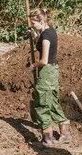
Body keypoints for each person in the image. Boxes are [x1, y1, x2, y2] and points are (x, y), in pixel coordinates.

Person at [29, 9, 71, 146]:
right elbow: (41, 44)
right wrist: (35, 35)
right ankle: (65, 134)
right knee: (52, 101)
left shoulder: (46, 37)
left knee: (42, 104)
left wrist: (34, 65)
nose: (32, 24)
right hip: (53, 70)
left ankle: (47, 139)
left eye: (34, 22)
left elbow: (44, 60)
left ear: (41, 20)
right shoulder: (49, 30)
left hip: (46, 71)